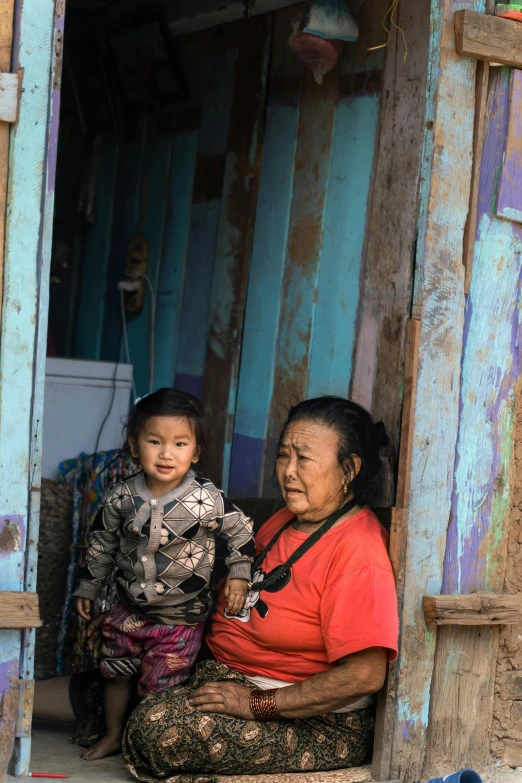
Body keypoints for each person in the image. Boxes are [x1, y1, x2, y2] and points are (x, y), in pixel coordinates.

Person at [122, 396, 399, 783]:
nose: (287, 471)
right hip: (227, 676)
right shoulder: (287, 518)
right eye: (284, 456)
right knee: (117, 672)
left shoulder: (358, 550)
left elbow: (365, 675)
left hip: (312, 719)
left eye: (303, 459)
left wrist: (257, 704)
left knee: (156, 725)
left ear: (349, 469)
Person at [73, 388, 255, 760]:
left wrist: (238, 572)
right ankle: (111, 734)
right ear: (134, 445)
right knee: (116, 671)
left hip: (181, 619)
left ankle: (142, 745)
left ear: (197, 451)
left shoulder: (207, 499)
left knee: (160, 687)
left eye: (180, 443)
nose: (166, 453)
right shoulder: (121, 496)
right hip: (128, 610)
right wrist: (89, 586)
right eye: (154, 441)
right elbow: (102, 542)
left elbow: (242, 529)